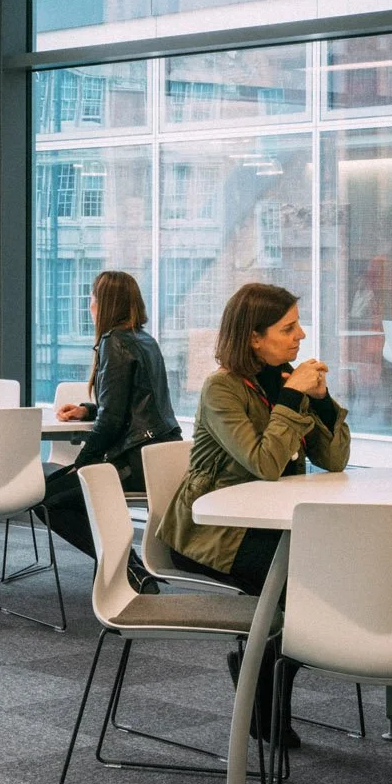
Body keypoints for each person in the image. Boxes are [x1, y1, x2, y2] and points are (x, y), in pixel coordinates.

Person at [154, 282, 350, 743]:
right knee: (301, 592)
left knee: (335, 580)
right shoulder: (221, 389)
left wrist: (319, 400)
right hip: (211, 535)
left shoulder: (286, 379)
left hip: (271, 527)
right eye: (288, 328)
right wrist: (290, 403)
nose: (300, 336)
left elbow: (336, 459)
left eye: (298, 324)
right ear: (254, 339)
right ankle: (265, 698)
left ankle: (256, 672)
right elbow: (264, 463)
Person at [40, 270, 180, 591]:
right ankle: (129, 565)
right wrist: (86, 410)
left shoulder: (113, 341)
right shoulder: (145, 339)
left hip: (135, 462)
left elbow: (113, 422)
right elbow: (135, 403)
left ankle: (127, 566)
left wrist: (82, 462)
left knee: (46, 499)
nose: (89, 304)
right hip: (158, 459)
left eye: (92, 298)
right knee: (60, 492)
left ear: (104, 304)